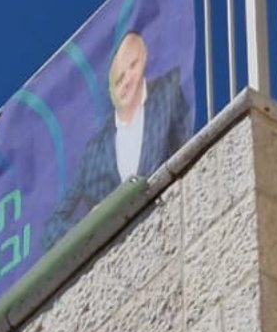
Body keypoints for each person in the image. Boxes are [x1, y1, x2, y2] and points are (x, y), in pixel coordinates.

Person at [42, 31, 192, 248]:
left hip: (167, 228)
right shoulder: (94, 152)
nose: (127, 81)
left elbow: (187, 154)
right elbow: (51, 228)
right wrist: (87, 224)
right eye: (118, 79)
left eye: (133, 66)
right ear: (109, 91)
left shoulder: (168, 95)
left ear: (144, 60)